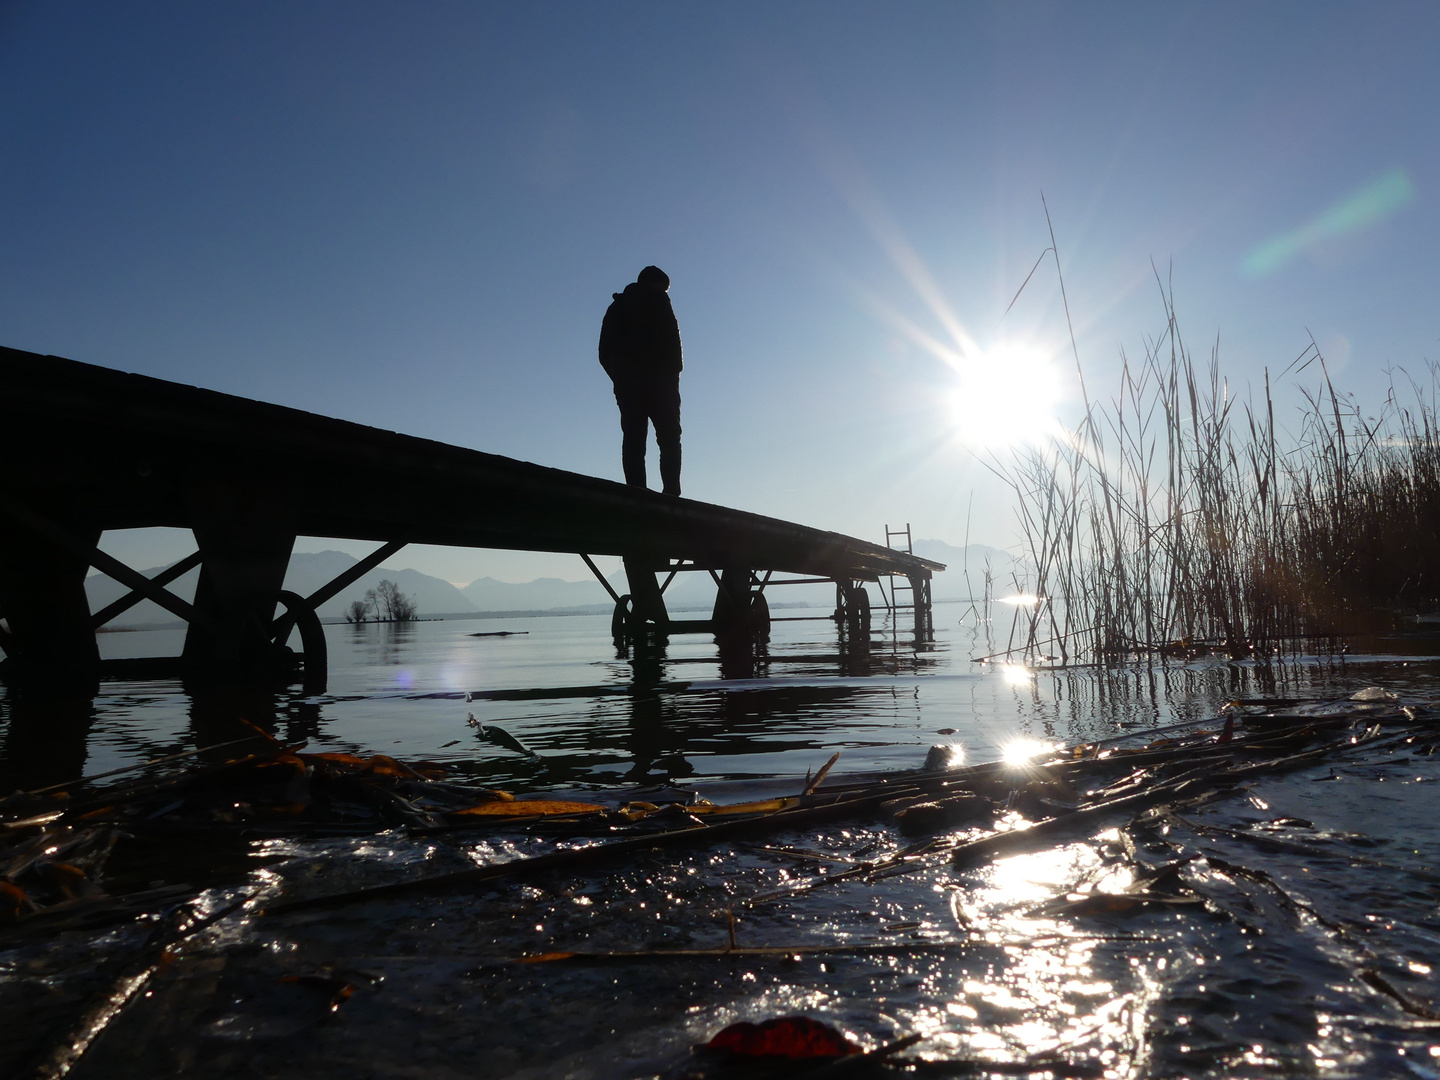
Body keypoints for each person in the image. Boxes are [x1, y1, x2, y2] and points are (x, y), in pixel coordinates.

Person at [598, 265, 683, 495]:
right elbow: (672, 345)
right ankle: (671, 493)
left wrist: (620, 378)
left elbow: (604, 351)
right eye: (663, 288)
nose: (665, 292)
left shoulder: (617, 306)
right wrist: (672, 375)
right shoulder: (661, 302)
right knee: (669, 438)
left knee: (634, 438)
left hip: (629, 384)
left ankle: (637, 492)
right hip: (661, 384)